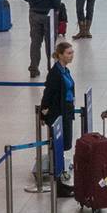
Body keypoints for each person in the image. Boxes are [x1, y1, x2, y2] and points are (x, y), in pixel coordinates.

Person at [14, 0, 65, 77]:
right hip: (49, 14)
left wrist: (31, 0)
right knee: (50, 43)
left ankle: (33, 68)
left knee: (35, 42)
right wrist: (56, 8)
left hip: (34, 13)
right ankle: (51, 69)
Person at [37, 40, 77, 181]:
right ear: (60, 55)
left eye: (72, 53)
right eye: (68, 53)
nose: (71, 55)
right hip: (58, 112)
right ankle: (58, 170)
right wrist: (43, 112)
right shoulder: (55, 73)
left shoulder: (66, 70)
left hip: (67, 110)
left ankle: (61, 166)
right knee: (59, 141)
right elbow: (48, 94)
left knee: (66, 141)